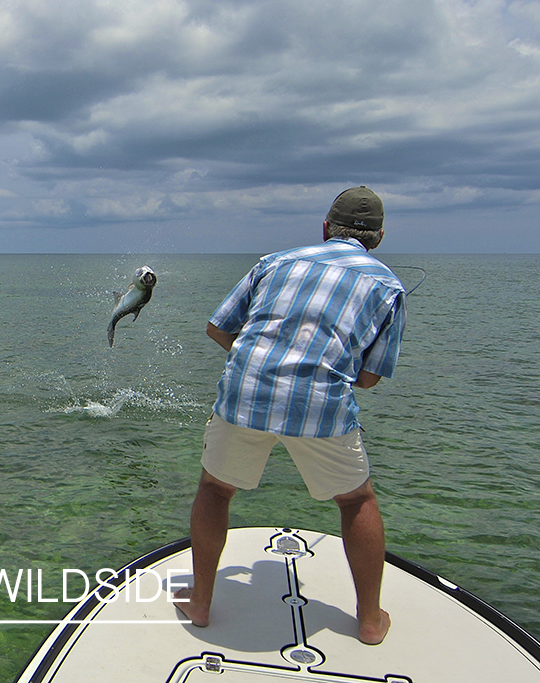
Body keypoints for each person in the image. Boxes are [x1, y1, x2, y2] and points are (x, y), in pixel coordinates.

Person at [173, 186, 405, 646]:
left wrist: (257, 361)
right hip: (320, 405)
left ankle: (200, 602)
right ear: (379, 236)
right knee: (356, 501)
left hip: (245, 391)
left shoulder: (275, 261)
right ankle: (369, 621)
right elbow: (370, 379)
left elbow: (218, 326)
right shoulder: (388, 286)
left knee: (216, 489)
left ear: (324, 228)